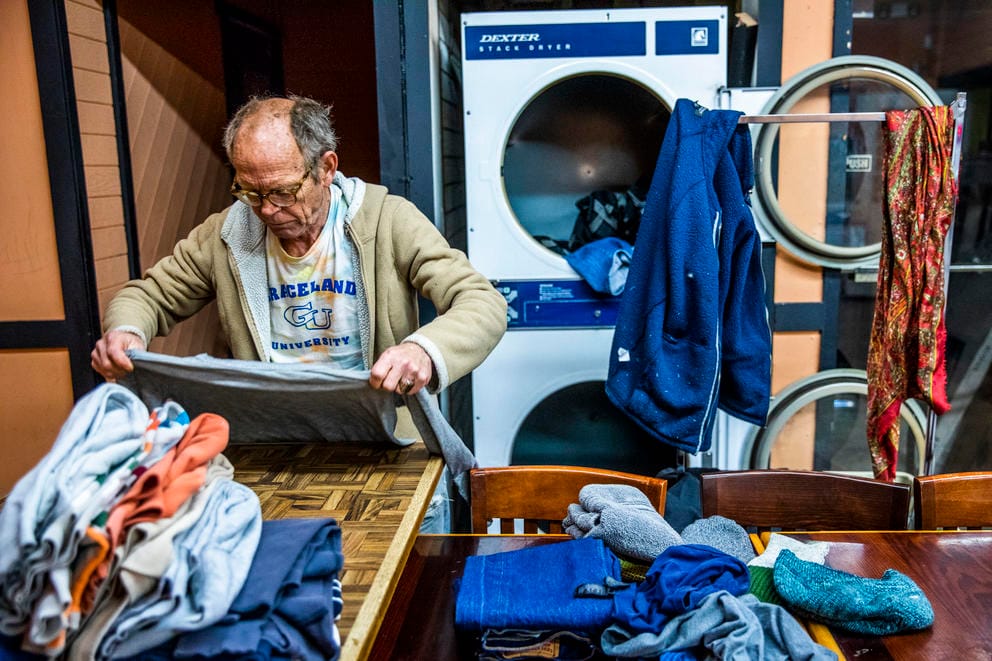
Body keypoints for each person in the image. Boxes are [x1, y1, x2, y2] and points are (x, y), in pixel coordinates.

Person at [90, 94, 506, 422]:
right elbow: (149, 297)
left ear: (326, 168)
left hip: (384, 428)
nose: (267, 210)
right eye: (250, 192)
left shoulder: (386, 221)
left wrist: (423, 351)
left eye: (283, 191)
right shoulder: (225, 235)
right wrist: (127, 332)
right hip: (277, 434)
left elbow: (481, 302)